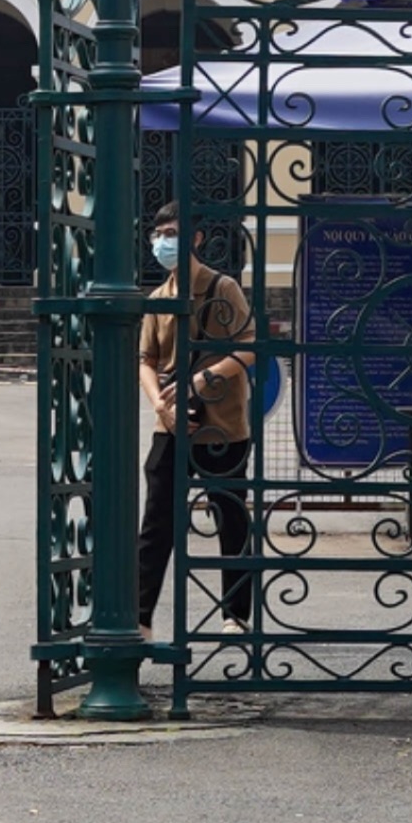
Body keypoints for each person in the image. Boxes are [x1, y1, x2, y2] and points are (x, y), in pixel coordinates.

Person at [134, 204, 258, 628]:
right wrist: (160, 405)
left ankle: (236, 616)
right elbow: (146, 360)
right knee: (157, 521)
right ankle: (141, 618)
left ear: (195, 239)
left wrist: (203, 380)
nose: (162, 242)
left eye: (171, 233)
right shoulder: (157, 299)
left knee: (231, 518)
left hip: (223, 425)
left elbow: (249, 346)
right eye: (158, 234)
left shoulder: (222, 288)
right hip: (171, 424)